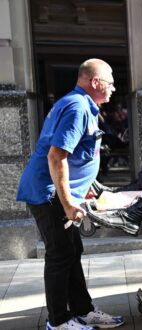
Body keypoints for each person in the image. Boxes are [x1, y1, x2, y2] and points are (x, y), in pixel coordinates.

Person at [16, 59, 125, 330]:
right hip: (48, 193)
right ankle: (59, 322)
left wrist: (84, 187)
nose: (113, 88)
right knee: (60, 254)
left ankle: (83, 310)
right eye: (110, 82)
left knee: (71, 249)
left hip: (54, 191)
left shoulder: (80, 104)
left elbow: (75, 156)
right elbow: (56, 157)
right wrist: (67, 204)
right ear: (95, 82)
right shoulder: (77, 107)